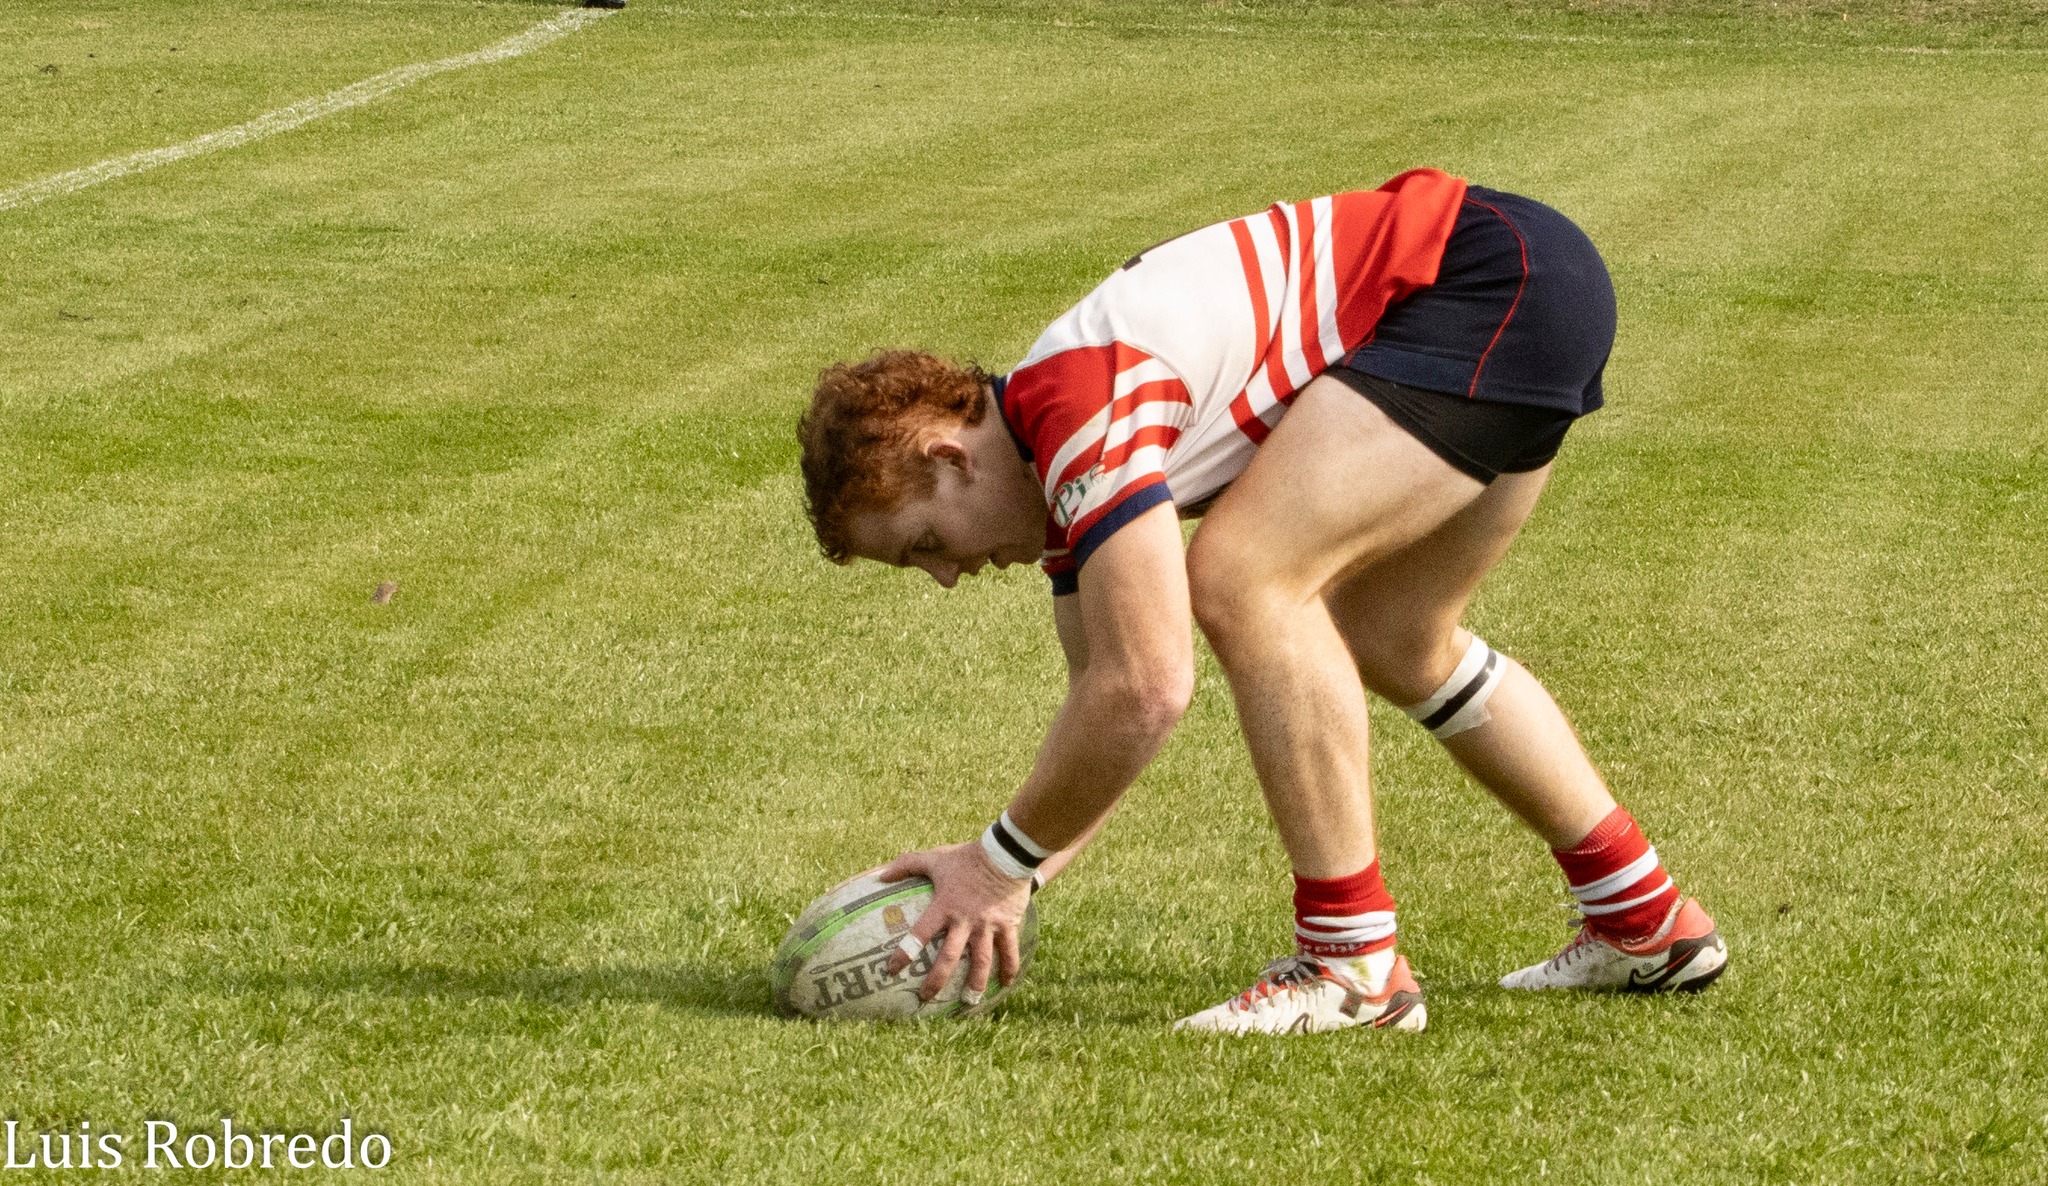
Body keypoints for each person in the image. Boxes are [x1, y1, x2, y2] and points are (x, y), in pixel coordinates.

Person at [795, 168, 1727, 1035]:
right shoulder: (1068, 469)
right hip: (1517, 278)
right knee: (1398, 638)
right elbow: (1109, 717)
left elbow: (1147, 688)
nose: (948, 576)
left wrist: (995, 866)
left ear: (949, 458)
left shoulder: (1079, 412)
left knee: (1245, 579)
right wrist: (1006, 882)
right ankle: (1645, 921)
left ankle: (1351, 964)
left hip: (1482, 283)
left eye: (925, 545)